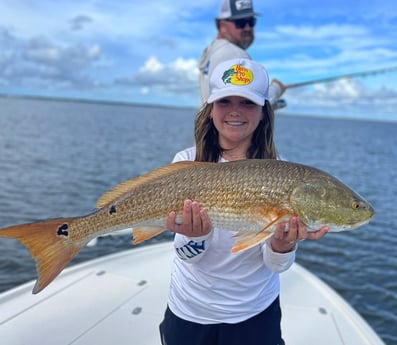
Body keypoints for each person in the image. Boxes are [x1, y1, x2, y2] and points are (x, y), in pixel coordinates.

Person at [159, 58, 328, 345]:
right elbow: (188, 256)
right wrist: (196, 237)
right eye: (225, 101)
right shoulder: (186, 163)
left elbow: (275, 266)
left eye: (247, 103)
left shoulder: (280, 172)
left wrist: (283, 244)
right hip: (190, 310)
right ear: (211, 109)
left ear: (263, 112)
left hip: (255, 313)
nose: (235, 111)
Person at [199, 0, 287, 108]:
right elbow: (251, 105)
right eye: (240, 23)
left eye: (251, 22)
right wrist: (276, 89)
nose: (248, 28)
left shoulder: (210, 51)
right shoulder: (237, 56)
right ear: (222, 26)